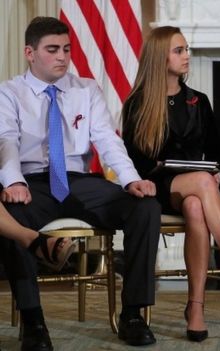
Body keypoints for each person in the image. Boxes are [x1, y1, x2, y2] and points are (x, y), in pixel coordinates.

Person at [0, 17, 162, 350]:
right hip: (33, 182)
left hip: (81, 181)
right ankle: (33, 323)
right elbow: (7, 141)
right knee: (11, 214)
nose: (62, 56)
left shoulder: (86, 89)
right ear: (30, 53)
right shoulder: (10, 92)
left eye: (67, 49)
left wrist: (132, 179)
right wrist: (14, 181)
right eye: (52, 49)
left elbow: (106, 139)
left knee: (145, 207)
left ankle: (133, 314)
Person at [121, 26, 220, 342]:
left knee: (196, 204)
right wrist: (202, 178)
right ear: (159, 58)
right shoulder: (137, 103)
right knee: (201, 184)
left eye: (187, 49)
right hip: (155, 189)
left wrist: (216, 174)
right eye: (179, 50)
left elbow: (217, 153)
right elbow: (137, 164)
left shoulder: (197, 101)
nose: (186, 55)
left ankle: (196, 307)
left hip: (195, 187)